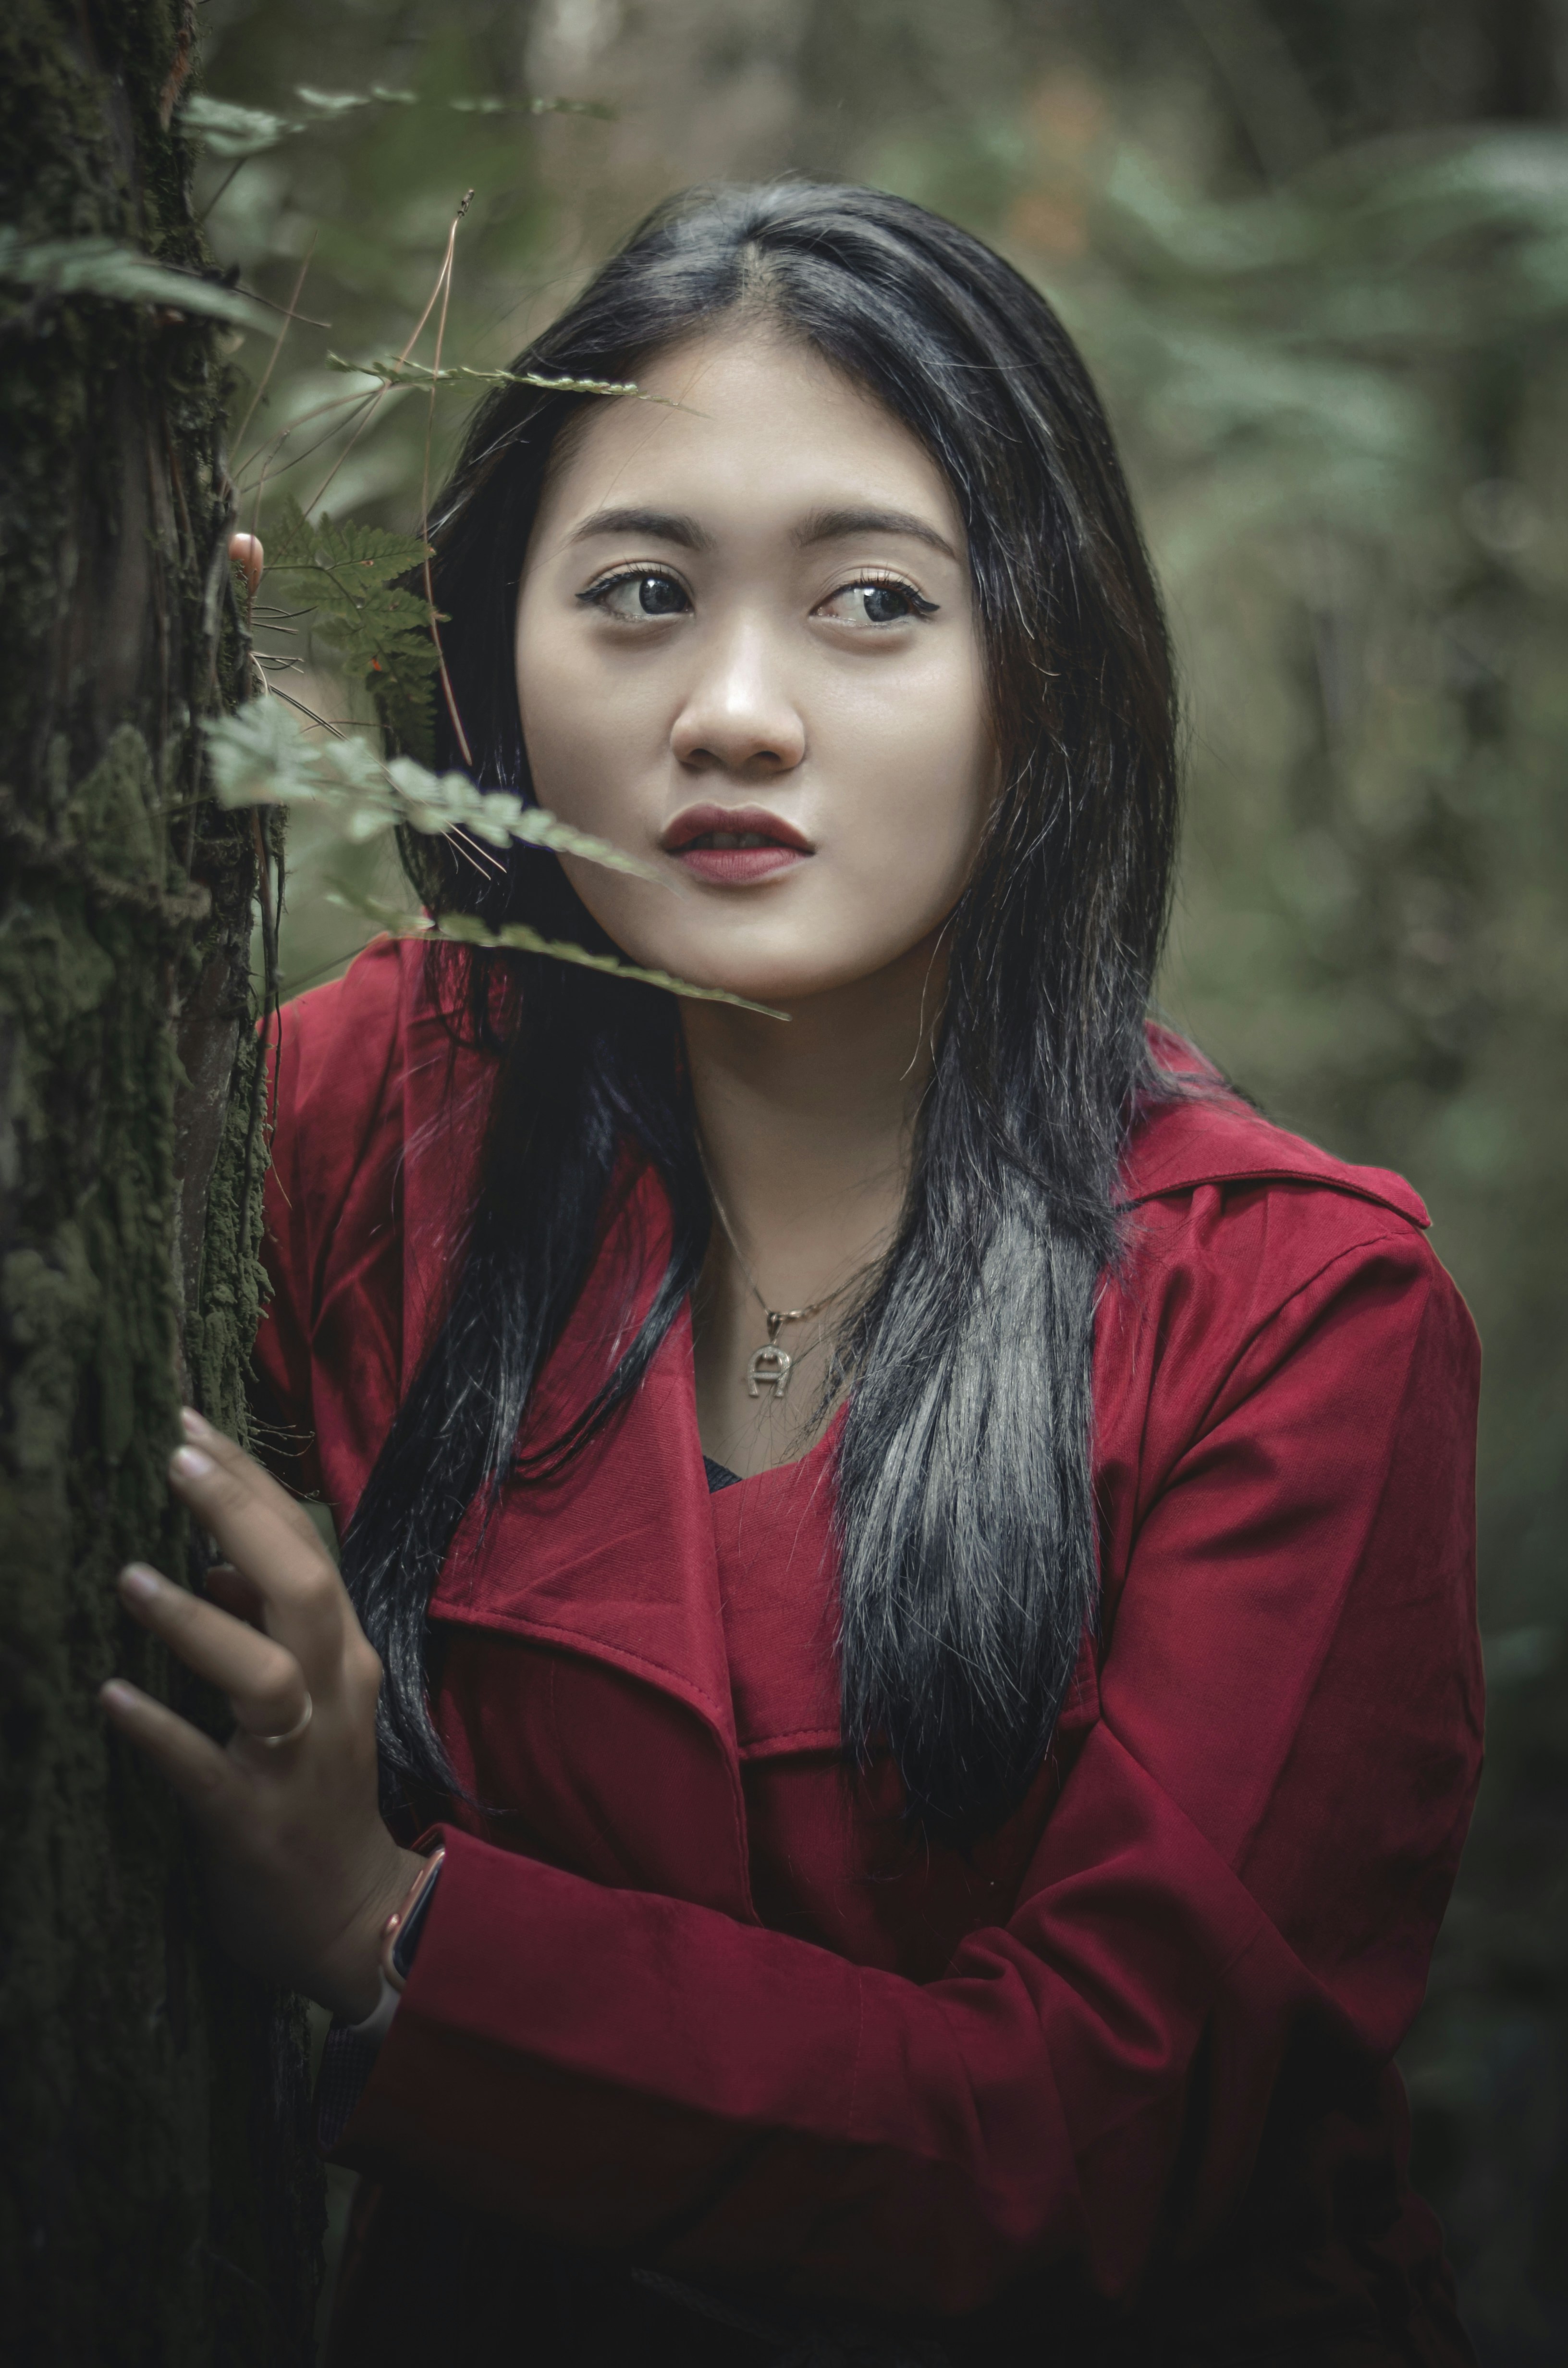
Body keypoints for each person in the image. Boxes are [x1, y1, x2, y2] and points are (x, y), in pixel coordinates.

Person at [101, 184, 1483, 2366]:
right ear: (488, 657)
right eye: (639, 594)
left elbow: (1087, 2145)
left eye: (868, 603)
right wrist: (97, 747)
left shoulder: (1292, 1313)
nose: (735, 712)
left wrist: (396, 1933)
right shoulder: (370, 1116)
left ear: (1046, 663)